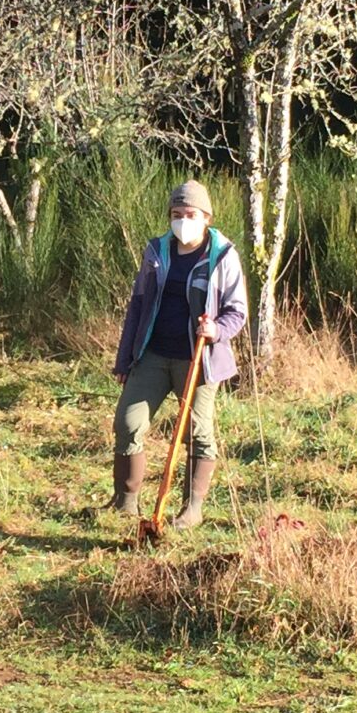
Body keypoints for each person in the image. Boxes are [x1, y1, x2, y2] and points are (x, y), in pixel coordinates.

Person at [109, 180, 249, 529]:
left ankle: (192, 509)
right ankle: (125, 503)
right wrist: (125, 359)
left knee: (197, 434)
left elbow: (237, 311)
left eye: (190, 214)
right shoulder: (157, 251)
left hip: (197, 360)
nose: (182, 220)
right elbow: (138, 305)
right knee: (128, 424)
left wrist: (216, 330)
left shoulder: (223, 256)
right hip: (153, 354)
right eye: (176, 214)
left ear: (206, 217)